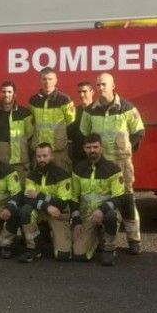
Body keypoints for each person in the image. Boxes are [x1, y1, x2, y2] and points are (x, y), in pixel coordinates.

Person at [80, 72, 145, 255]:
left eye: (104, 84)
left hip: (121, 163)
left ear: (113, 85)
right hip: (101, 165)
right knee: (103, 201)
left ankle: (134, 240)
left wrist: (127, 148)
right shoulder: (90, 111)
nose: (101, 88)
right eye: (98, 85)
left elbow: (139, 131)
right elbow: (85, 134)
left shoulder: (126, 107)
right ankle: (105, 241)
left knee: (127, 201)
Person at [70, 133, 124, 267]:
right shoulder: (78, 169)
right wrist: (76, 221)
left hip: (105, 212)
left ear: (101, 148)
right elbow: (73, 196)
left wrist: (102, 209)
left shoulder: (113, 169)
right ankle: (95, 238)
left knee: (112, 217)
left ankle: (109, 249)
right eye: (89, 147)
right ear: (84, 148)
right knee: (79, 255)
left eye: (95, 147)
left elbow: (119, 197)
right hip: (87, 215)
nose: (92, 150)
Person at [18, 142, 72, 263]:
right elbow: (27, 198)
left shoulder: (62, 175)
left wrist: (39, 195)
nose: (41, 159)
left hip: (58, 214)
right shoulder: (31, 175)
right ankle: (33, 249)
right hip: (42, 211)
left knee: (63, 255)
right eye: (38, 156)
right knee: (26, 210)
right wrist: (46, 206)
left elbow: (62, 203)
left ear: (52, 156)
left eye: (45, 156)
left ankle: (52, 236)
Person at [28, 67, 76, 171]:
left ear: (56, 80)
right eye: (44, 79)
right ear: (40, 80)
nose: (47, 82)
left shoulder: (64, 99)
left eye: (50, 79)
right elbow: (31, 123)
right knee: (38, 182)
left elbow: (71, 122)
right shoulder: (33, 100)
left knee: (61, 180)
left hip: (58, 150)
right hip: (39, 151)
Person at [0, 80, 34, 179]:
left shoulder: (24, 113)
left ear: (14, 94)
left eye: (9, 92)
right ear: (0, 93)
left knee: (22, 188)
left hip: (20, 161)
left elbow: (30, 136)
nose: (6, 94)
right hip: (1, 159)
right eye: (4, 92)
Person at [68, 80, 94, 165]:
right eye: (79, 92)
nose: (81, 95)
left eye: (85, 91)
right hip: (78, 159)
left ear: (92, 92)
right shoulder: (74, 112)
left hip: (96, 156)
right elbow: (69, 135)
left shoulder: (99, 111)